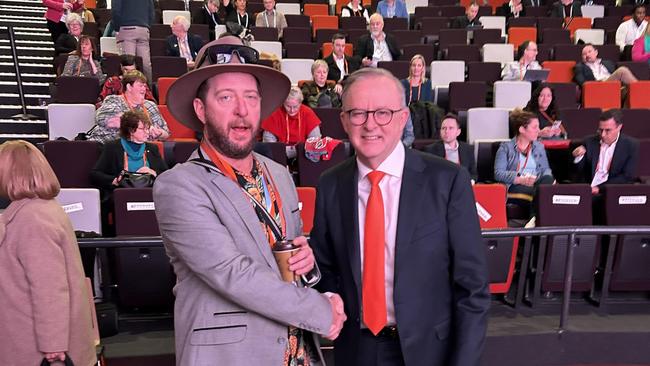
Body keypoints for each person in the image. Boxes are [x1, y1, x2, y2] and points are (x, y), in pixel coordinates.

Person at [153, 36, 346, 365]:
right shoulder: (178, 185)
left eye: (251, 97)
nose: (242, 110)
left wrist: (307, 265)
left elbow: (286, 260)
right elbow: (232, 273)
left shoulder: (280, 174)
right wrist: (320, 309)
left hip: (300, 355)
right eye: (225, 97)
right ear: (200, 109)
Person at [310, 67, 489, 366]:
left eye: (383, 112)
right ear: (343, 120)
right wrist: (327, 294)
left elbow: (473, 289)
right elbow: (325, 268)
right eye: (357, 113)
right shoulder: (330, 184)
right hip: (356, 351)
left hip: (430, 352)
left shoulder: (447, 180)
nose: (370, 125)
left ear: (403, 117)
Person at [0, 140, 96, 366]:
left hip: (40, 350)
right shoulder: (39, 210)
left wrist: (53, 345)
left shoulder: (33, 219)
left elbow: (49, 288)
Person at [90, 110, 167, 198]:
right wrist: (116, 180)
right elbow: (95, 174)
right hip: (122, 194)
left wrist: (153, 173)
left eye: (148, 128)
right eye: (142, 129)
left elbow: (166, 174)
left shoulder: (152, 148)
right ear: (130, 130)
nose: (147, 132)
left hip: (148, 193)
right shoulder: (113, 147)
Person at [494, 109, 554, 216]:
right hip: (515, 185)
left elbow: (546, 170)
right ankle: (535, 224)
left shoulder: (539, 147)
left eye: (538, 127)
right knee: (542, 195)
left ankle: (534, 223)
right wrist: (521, 180)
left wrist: (537, 179)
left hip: (537, 183)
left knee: (547, 181)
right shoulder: (505, 148)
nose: (538, 130)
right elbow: (498, 173)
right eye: (534, 127)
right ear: (522, 129)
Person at [572, 109, 639, 195]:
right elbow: (578, 172)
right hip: (588, 189)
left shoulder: (631, 145)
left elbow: (627, 176)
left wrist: (600, 188)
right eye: (600, 130)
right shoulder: (589, 141)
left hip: (612, 190)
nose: (603, 134)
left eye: (607, 130)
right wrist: (578, 157)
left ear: (619, 127)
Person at [90, 70, 169, 143]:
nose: (144, 89)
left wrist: (159, 133)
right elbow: (102, 119)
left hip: (140, 148)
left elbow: (166, 133)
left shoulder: (150, 106)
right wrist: (145, 128)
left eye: (145, 86)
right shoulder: (114, 100)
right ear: (129, 87)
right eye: (140, 85)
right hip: (109, 144)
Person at [424, 113, 477, 181]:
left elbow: (473, 174)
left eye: (451, 128)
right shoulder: (430, 150)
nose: (446, 131)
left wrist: (470, 182)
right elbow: (428, 175)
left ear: (458, 132)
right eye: (443, 128)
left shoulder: (468, 149)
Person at [112, 0, 155, 83]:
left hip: (127, 28)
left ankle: (129, 91)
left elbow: (116, 10)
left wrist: (117, 28)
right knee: (145, 65)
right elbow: (152, 13)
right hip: (143, 29)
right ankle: (148, 90)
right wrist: (147, 26)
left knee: (128, 64)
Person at [574, 43, 638, 86]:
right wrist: (598, 82)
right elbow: (581, 82)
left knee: (629, 91)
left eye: (589, 52)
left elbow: (616, 76)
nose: (587, 55)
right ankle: (642, 89)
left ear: (596, 52)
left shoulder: (608, 63)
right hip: (598, 86)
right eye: (584, 54)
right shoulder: (579, 67)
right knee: (622, 70)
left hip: (614, 86)